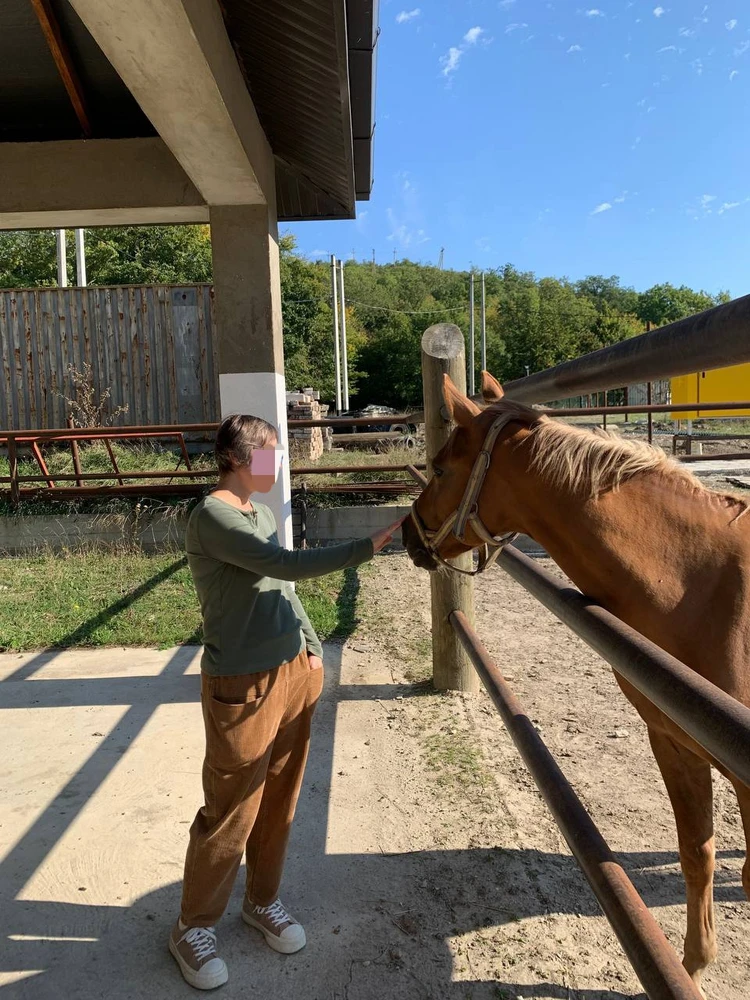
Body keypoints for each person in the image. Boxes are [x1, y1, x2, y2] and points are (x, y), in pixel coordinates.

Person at [169, 414, 402, 990]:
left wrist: (311, 642)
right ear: (242, 459)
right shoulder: (215, 516)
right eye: (271, 453)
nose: (278, 463)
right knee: (231, 807)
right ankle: (192, 927)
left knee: (280, 796)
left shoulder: (262, 512)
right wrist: (365, 547)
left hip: (292, 671)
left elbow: (280, 589)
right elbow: (283, 565)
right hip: (242, 684)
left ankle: (262, 900)